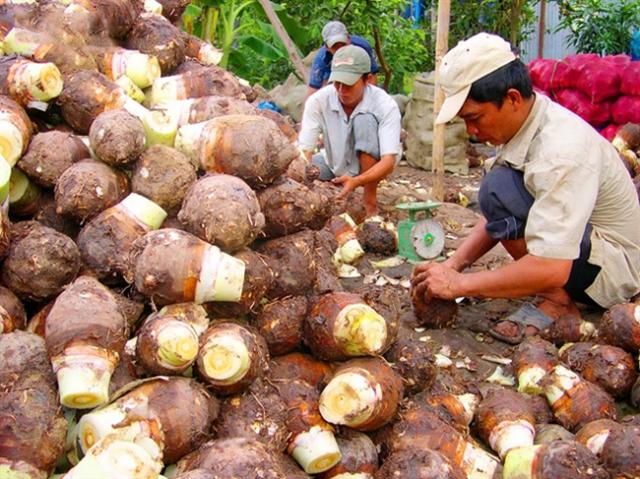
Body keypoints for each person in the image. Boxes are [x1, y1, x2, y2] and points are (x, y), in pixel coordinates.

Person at [411, 32, 640, 344]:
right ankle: (555, 295)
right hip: (586, 252)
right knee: (498, 188)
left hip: (613, 273)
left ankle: (558, 302)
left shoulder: (560, 150)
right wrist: (453, 265)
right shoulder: (527, 121)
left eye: (474, 118)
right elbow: (499, 210)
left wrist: (459, 286)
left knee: (499, 187)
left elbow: (552, 266)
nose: (472, 131)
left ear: (513, 98)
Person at [298, 45, 401, 217]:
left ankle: (370, 202)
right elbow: (305, 150)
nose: (341, 90)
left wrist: (357, 181)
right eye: (337, 83)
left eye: (348, 84)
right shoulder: (318, 101)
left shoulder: (384, 105)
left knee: (365, 120)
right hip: (333, 163)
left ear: (367, 79)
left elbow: (388, 160)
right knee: (306, 170)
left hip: (371, 168)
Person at [305, 20, 379, 101]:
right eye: (335, 46)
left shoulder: (363, 47)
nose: (340, 49)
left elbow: (372, 75)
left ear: (348, 39)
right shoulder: (321, 60)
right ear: (327, 47)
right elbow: (312, 91)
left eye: (343, 44)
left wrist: (369, 100)